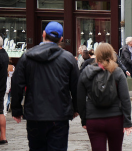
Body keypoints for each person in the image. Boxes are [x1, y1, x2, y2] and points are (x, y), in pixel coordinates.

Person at [10, 21, 80, 151]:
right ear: (61, 39)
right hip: (59, 114)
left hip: (35, 114)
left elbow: (17, 83)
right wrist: (76, 108)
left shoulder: (27, 56)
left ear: (43, 34)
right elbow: (76, 86)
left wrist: (16, 109)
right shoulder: (68, 58)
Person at [77, 43, 132, 151]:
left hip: (93, 119)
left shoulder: (86, 72)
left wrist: (84, 120)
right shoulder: (117, 72)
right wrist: (127, 122)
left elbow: (80, 99)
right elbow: (125, 98)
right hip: (115, 119)